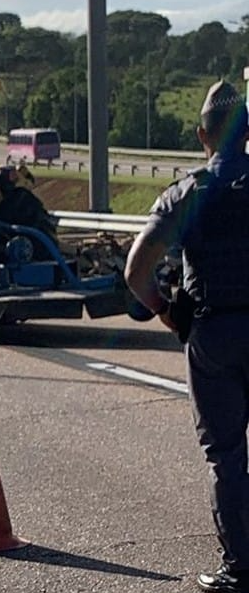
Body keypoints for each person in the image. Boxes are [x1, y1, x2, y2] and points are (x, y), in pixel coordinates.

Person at [125, 79, 249, 593]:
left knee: (227, 457)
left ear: (202, 135)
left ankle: (240, 569)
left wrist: (165, 311)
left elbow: (136, 271)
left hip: (214, 332)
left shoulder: (186, 193)